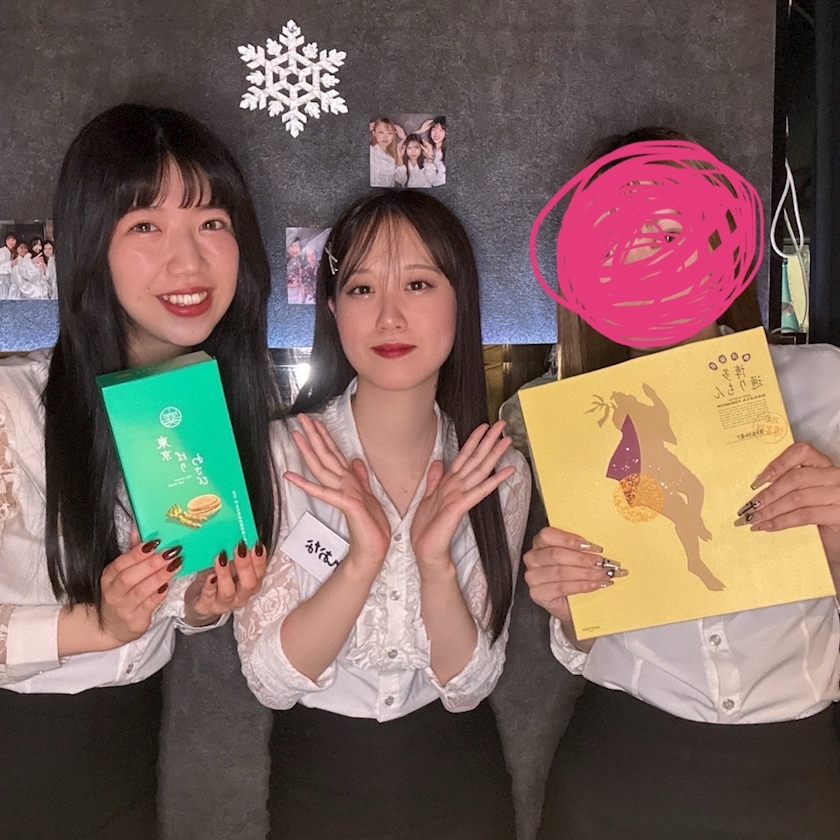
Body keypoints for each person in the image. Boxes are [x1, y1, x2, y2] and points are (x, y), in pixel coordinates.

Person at [523, 127, 840, 840]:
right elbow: (588, 639)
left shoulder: (825, 384)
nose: (647, 260)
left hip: (797, 773)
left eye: (667, 235)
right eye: (616, 243)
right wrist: (569, 608)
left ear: (718, 240)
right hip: (620, 766)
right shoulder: (574, 420)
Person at [0, 102, 279, 839]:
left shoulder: (211, 408)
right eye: (145, 226)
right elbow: (104, 625)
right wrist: (94, 624)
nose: (188, 262)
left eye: (211, 221)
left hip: (126, 753)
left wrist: (203, 603)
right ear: (90, 245)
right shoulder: (11, 408)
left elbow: (166, 602)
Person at [235, 189, 531, 840]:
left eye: (419, 284)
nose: (390, 316)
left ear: (460, 301)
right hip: (318, 787)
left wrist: (434, 564)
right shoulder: (279, 456)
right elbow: (271, 682)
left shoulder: (494, 470)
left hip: (461, 786)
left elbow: (468, 687)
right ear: (333, 309)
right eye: (363, 289)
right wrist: (361, 560)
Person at [369, 116, 407, 188]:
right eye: (381, 132)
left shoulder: (392, 157)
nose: (385, 137)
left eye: (390, 133)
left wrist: (399, 158)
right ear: (374, 133)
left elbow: (402, 180)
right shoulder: (370, 151)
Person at [0, 232, 18, 298]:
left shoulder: (14, 253)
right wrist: (10, 264)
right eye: (8, 240)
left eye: (13, 240)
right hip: (2, 283)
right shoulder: (2, 251)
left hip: (9, 283)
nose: (11, 242)